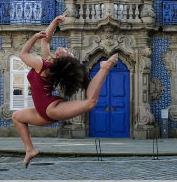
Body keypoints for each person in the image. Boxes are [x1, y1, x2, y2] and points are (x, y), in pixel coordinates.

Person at [12, 14, 119, 168]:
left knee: (90, 103)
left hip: (50, 109)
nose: (67, 49)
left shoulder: (41, 65)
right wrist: (55, 21)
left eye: (69, 53)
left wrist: (34, 37)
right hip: (42, 111)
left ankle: (104, 68)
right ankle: (30, 149)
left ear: (63, 60)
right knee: (17, 117)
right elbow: (46, 40)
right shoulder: (47, 62)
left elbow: (23, 54)